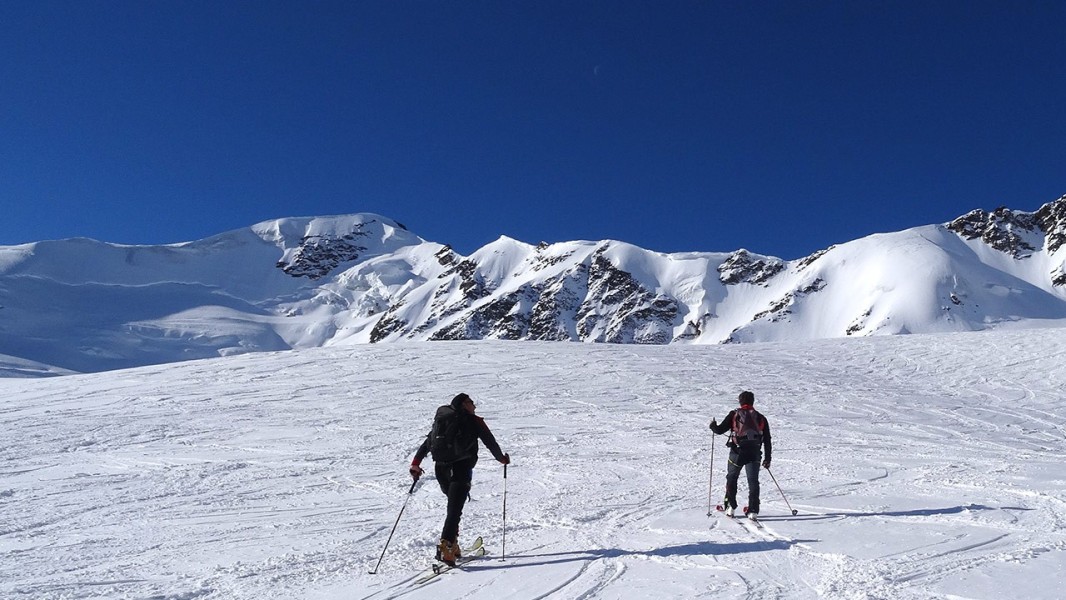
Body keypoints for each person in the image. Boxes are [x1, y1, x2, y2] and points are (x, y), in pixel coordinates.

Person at [409, 393, 509, 565]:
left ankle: (452, 544)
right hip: (461, 467)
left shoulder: (443, 420)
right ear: (464, 404)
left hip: (441, 468)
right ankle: (446, 546)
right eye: (471, 403)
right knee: (454, 509)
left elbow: (428, 443)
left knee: (453, 508)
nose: (474, 406)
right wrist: (502, 459)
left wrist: (415, 464)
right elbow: (489, 441)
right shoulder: (474, 421)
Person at [709, 390, 772, 519]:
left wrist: (712, 425)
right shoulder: (761, 417)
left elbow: (719, 430)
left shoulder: (734, 414)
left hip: (737, 452)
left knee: (732, 477)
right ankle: (753, 510)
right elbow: (767, 439)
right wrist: (767, 459)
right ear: (753, 402)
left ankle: (730, 507)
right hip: (754, 453)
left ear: (740, 401)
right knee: (753, 481)